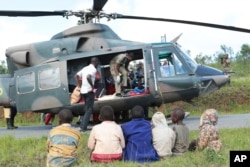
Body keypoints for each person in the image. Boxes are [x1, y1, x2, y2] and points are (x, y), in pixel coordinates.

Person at [75, 57, 99, 132]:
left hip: (83, 91)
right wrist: (92, 87)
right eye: (98, 62)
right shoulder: (93, 69)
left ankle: (82, 125)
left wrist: (79, 86)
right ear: (96, 62)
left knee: (87, 108)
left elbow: (76, 76)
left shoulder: (85, 68)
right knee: (89, 109)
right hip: (89, 91)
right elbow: (88, 77)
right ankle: (83, 127)